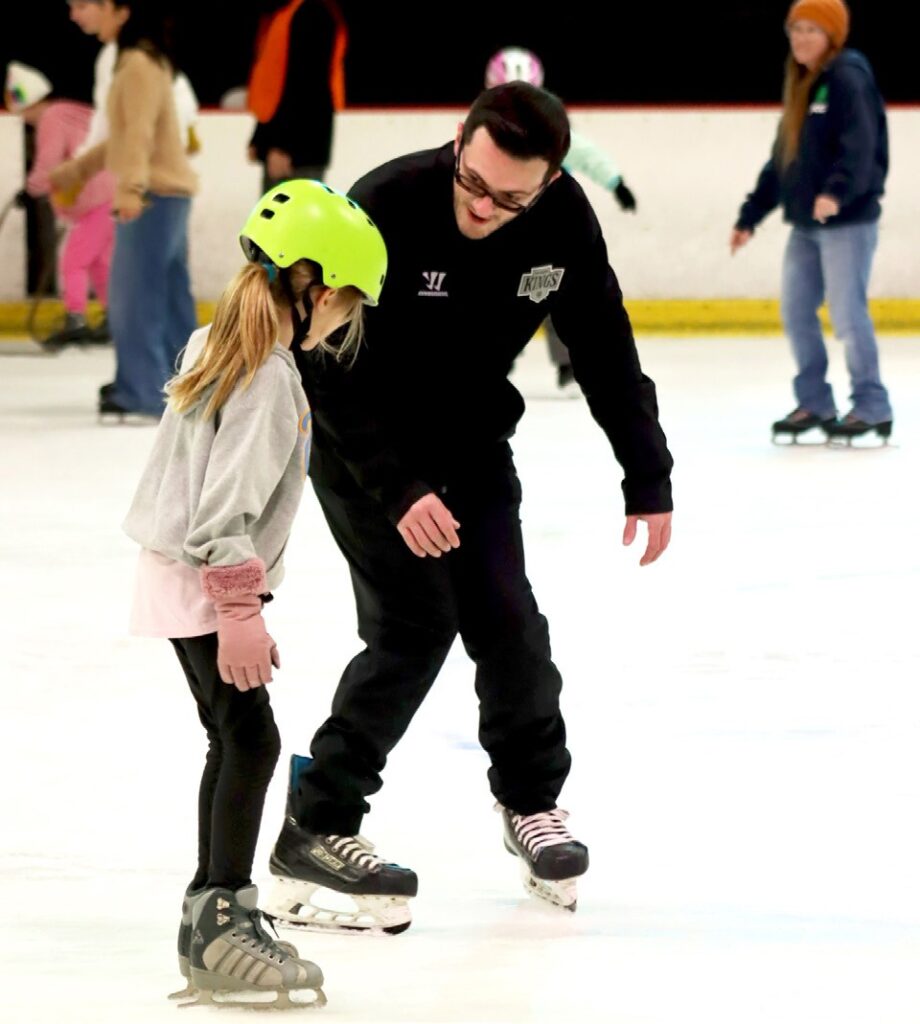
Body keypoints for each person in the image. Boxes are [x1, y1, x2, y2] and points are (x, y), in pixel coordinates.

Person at [265, 82, 674, 935]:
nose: (483, 208)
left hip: (472, 448)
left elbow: (602, 339)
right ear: (459, 141)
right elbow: (321, 366)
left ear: (551, 181)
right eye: (473, 183)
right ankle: (319, 822)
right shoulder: (387, 203)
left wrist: (647, 472)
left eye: (510, 198)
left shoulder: (563, 222)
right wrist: (398, 488)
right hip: (363, 451)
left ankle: (532, 805)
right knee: (416, 624)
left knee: (507, 617)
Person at [121, 178, 387, 1007]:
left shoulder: (215, 339)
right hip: (209, 576)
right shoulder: (269, 377)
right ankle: (222, 922)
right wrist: (237, 609)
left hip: (185, 571)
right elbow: (222, 508)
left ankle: (215, 915)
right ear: (316, 287)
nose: (347, 321)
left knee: (234, 741)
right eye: (350, 304)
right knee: (252, 744)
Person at [730, 0, 892, 444]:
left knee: (846, 313)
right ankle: (816, 402)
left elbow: (861, 144)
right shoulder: (803, 83)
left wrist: (836, 191)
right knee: (797, 311)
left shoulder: (847, 77)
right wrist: (750, 216)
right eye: (795, 29)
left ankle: (872, 404)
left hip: (847, 221)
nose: (801, 38)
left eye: (812, 30)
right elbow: (784, 160)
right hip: (806, 225)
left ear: (832, 36)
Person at [50, 0, 198, 420]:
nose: (76, 14)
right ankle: (188, 385)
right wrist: (77, 170)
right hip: (166, 192)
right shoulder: (142, 61)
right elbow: (123, 135)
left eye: (84, 4)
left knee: (133, 298)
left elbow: (137, 135)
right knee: (169, 300)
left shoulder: (135, 64)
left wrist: (130, 188)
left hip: (152, 193)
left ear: (121, 10)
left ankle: (142, 392)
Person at [485, 46, 638, 392]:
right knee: (497, 291)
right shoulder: (483, 134)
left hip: (546, 227)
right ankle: (494, 356)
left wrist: (617, 184)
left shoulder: (553, 130)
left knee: (554, 291)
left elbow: (584, 152)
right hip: (502, 226)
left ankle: (567, 364)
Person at [4, 60, 113, 351]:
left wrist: (31, 190)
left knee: (74, 261)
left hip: (96, 196)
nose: (24, 120)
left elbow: (49, 161)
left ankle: (75, 319)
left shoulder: (52, 118)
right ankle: (113, 318)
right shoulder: (68, 112)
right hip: (109, 192)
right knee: (100, 261)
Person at [246, 0, 348, 191]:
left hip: (299, 150)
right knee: (277, 215)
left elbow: (308, 85)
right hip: (291, 145)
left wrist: (282, 146)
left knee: (289, 216)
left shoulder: (313, 13)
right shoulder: (292, 11)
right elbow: (276, 84)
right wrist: (261, 137)